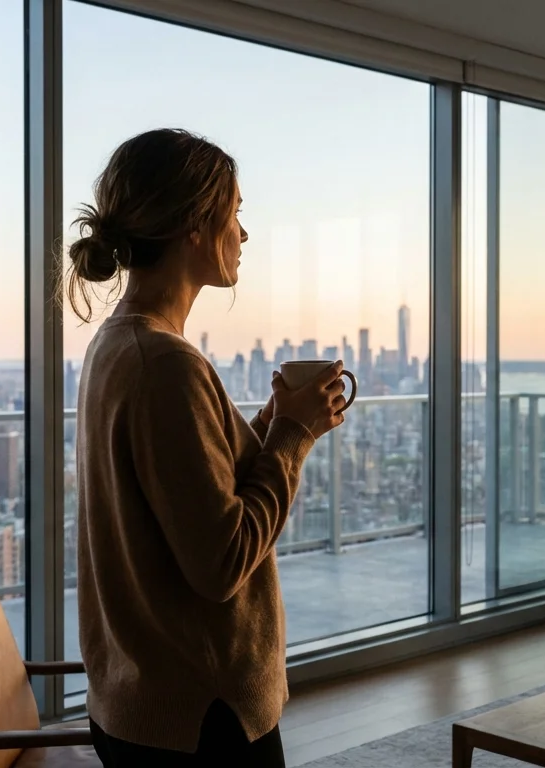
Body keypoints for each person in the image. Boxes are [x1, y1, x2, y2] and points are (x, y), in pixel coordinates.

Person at [65, 128, 347, 768]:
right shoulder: (165, 363)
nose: (244, 234)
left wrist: (265, 425)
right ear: (195, 225)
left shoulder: (117, 345)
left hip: (142, 702)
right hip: (200, 720)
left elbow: (177, 493)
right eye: (236, 213)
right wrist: (293, 436)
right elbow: (221, 563)